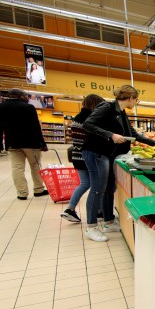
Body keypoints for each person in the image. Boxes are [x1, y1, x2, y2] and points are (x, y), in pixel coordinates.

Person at [82, 85, 155, 242]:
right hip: (97, 152)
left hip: (108, 154)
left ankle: (108, 221)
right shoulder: (107, 107)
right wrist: (111, 135)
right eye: (136, 99)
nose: (136, 102)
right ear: (130, 98)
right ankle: (91, 227)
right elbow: (88, 124)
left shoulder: (121, 112)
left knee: (109, 187)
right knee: (98, 189)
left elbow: (133, 134)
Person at [0, 88, 49, 200]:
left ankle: (22, 193)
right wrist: (42, 143)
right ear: (20, 95)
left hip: (12, 143)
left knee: (17, 168)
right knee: (35, 166)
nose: (27, 98)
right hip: (31, 143)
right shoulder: (28, 107)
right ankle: (38, 189)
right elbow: (35, 127)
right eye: (25, 95)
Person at [61, 94, 104, 223]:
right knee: (97, 185)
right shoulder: (90, 119)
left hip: (77, 155)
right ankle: (98, 211)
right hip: (88, 156)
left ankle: (70, 209)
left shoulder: (77, 118)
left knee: (85, 183)